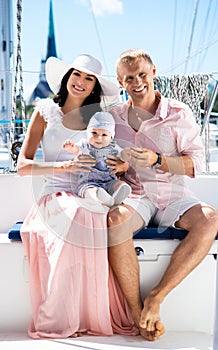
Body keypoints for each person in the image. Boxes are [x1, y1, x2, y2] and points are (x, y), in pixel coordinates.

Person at [17, 54, 138, 339]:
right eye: (77, 75)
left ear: (94, 85)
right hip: (54, 194)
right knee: (78, 214)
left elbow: (114, 153)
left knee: (94, 212)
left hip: (89, 191)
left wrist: (122, 165)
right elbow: (23, 166)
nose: (81, 83)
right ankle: (60, 318)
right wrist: (64, 166)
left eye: (89, 78)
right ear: (67, 76)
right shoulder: (45, 111)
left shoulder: (98, 119)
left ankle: (89, 315)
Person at [108, 48, 218, 341]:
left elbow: (196, 164)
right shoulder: (112, 117)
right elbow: (102, 159)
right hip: (136, 196)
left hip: (173, 196)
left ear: (153, 72)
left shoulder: (179, 113)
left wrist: (158, 160)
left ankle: (156, 298)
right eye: (129, 78)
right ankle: (136, 314)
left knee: (210, 219)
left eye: (142, 74)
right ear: (121, 82)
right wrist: (117, 167)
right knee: (115, 220)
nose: (137, 82)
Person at [63, 111, 131, 207]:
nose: (98, 138)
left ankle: (119, 193)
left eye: (104, 135)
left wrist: (126, 154)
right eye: (94, 133)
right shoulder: (85, 145)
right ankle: (101, 198)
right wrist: (71, 147)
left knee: (119, 184)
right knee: (89, 191)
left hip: (109, 180)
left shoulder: (113, 147)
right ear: (87, 133)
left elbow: (121, 156)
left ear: (111, 137)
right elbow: (77, 150)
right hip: (89, 182)